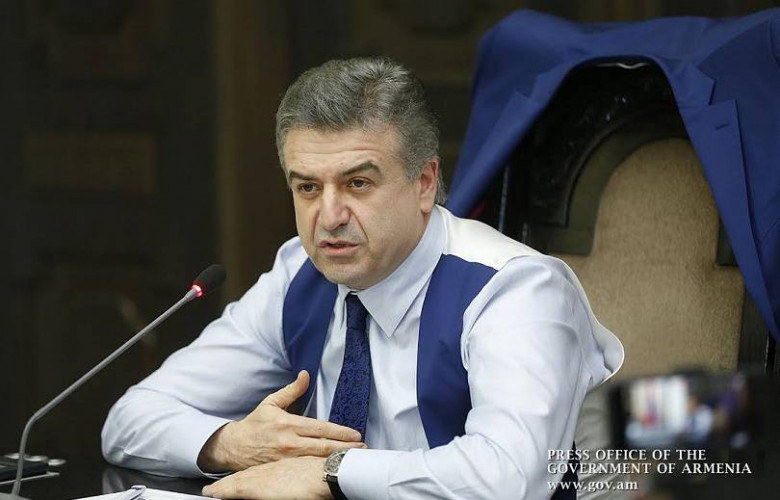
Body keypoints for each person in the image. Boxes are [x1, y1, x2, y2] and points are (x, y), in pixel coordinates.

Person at [102, 57, 624, 500]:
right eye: (308, 188)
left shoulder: (513, 289)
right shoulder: (300, 274)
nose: (329, 217)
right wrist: (232, 443)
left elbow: (509, 478)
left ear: (424, 183)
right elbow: (129, 421)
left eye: (357, 183)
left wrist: (330, 473)